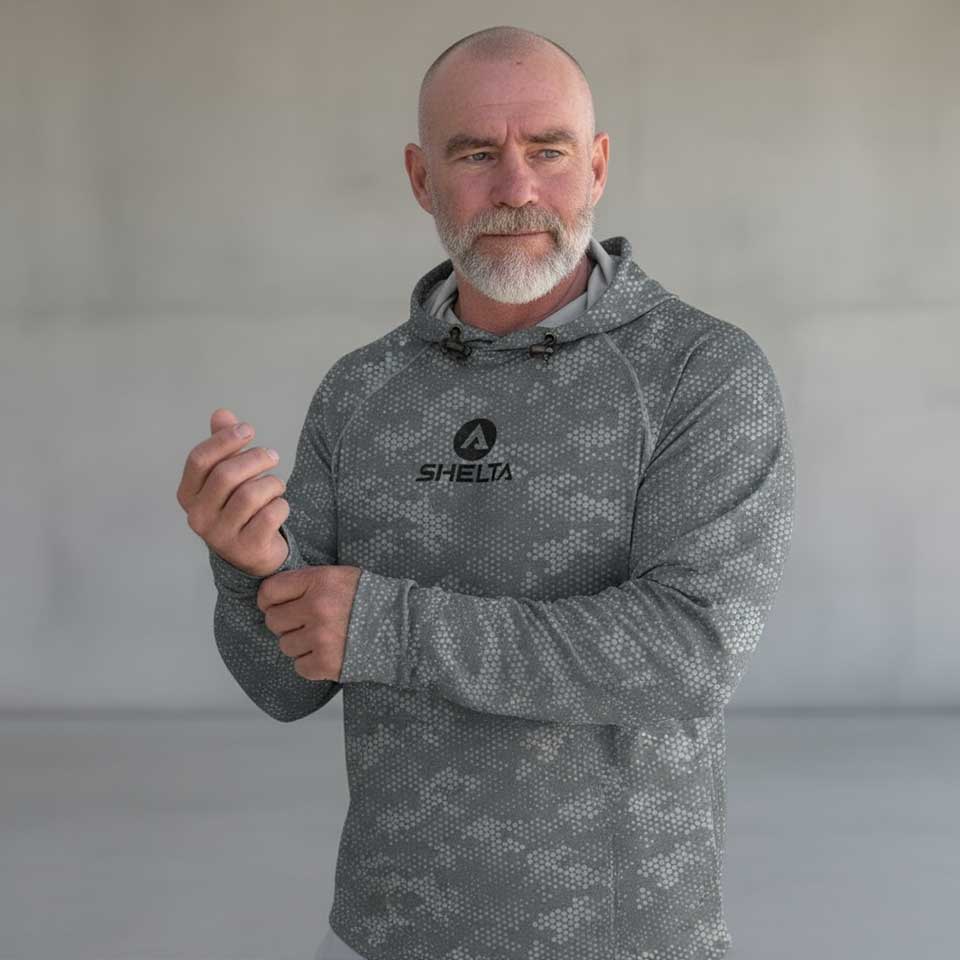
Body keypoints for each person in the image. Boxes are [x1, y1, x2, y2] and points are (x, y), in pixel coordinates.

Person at [178, 24, 796, 960]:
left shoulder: (700, 373)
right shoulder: (363, 390)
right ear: (422, 178)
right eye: (475, 154)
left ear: (596, 166)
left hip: (622, 938)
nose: (515, 188)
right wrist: (248, 565)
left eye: (548, 150)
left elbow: (691, 651)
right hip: (388, 930)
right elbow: (284, 688)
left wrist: (389, 625)